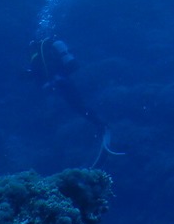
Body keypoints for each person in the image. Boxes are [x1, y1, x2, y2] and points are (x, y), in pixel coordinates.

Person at [27, 36, 123, 167]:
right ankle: (99, 123)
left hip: (62, 82)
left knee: (78, 106)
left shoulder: (38, 53)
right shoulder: (49, 48)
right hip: (66, 80)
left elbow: (37, 73)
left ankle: (101, 124)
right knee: (79, 104)